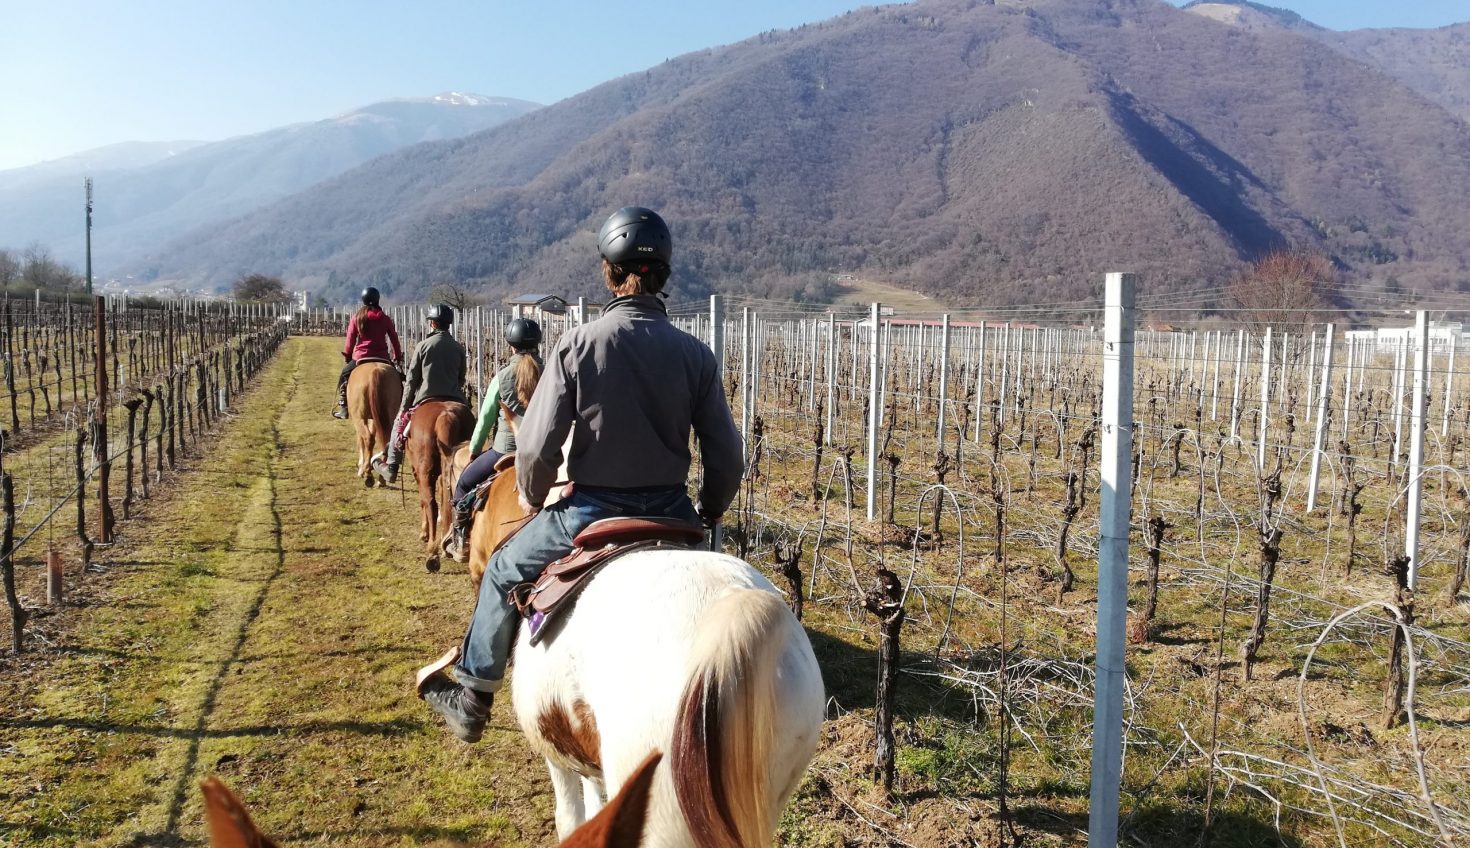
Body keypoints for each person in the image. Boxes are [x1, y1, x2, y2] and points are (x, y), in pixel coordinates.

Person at [418, 207, 743, 742]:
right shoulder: (697, 356)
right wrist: (708, 510)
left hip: (591, 511)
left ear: (607, 273)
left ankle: (473, 697)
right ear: (663, 275)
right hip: (672, 511)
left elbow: (539, 446)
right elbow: (726, 456)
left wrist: (530, 495)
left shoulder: (576, 346)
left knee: (501, 568)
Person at [445, 318, 543, 560]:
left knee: (464, 485)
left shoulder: (502, 376)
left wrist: (476, 451)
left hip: (505, 451)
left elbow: (485, 419)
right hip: (544, 450)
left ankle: (461, 539)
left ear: (511, 345)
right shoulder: (551, 371)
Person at [371, 303, 467, 484]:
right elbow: (461, 379)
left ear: (432, 324)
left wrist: (403, 408)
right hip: (456, 399)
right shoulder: (458, 348)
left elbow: (411, 381)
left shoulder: (423, 346)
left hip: (426, 399)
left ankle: (391, 466)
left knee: (399, 426)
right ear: (448, 324)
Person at [334, 287, 403, 419]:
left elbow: (350, 338)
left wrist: (348, 355)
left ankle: (344, 406)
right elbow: (394, 338)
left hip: (361, 356)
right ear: (378, 299)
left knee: (344, 376)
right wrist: (397, 356)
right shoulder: (385, 318)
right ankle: (401, 406)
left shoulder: (357, 317)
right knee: (398, 380)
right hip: (382, 356)